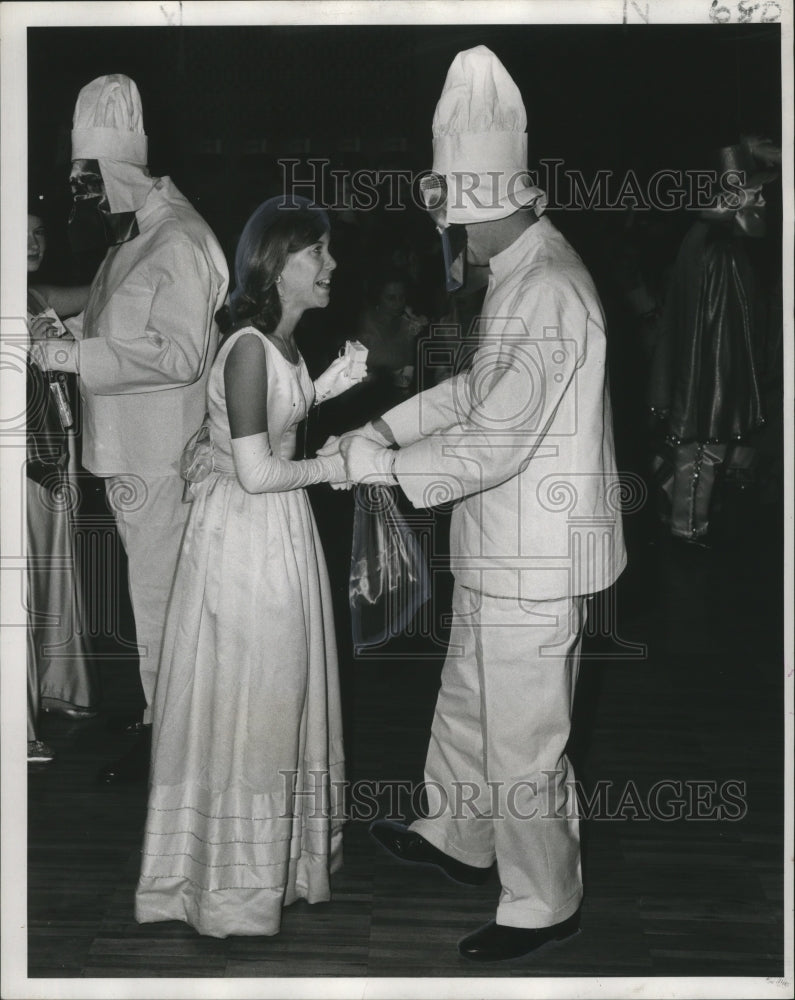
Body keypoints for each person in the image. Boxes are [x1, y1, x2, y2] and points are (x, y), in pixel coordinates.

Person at [321, 46, 626, 962]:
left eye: (456, 227)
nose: (452, 246)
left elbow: (495, 441)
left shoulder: (549, 292)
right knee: (467, 699)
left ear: (487, 209)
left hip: (538, 553)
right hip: (499, 539)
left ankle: (544, 897)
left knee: (526, 733)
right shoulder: (519, 276)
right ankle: (457, 835)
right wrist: (385, 427)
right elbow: (471, 398)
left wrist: (385, 469)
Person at [135, 196, 354, 939]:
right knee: (256, 699)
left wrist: (327, 388)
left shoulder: (282, 347)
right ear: (273, 264)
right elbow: (258, 472)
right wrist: (338, 464)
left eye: (326, 252)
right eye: (313, 253)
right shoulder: (252, 347)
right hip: (246, 537)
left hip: (276, 534)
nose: (329, 265)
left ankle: (274, 867)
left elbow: (263, 424)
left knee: (278, 692)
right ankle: (231, 886)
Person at [35, 75, 229, 782]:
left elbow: (178, 355)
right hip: (129, 451)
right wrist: (57, 332)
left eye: (86, 180)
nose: (81, 196)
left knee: (160, 600)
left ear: (113, 168)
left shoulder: (177, 240)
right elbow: (117, 325)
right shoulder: (138, 237)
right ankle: (160, 711)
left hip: (159, 454)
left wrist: (70, 354)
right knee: (153, 597)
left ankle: (172, 739)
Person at [648, 138, 778, 545]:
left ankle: (669, 488)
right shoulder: (718, 251)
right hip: (710, 379)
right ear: (732, 198)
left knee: (698, 450)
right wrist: (720, 396)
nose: (761, 199)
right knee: (703, 451)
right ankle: (687, 526)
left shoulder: (711, 240)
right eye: (754, 192)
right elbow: (718, 331)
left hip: (706, 375)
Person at [27, 206, 99, 763]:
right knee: (19, 585)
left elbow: (103, 290)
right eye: (21, 233)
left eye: (40, 232)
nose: (34, 242)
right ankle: (16, 722)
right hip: (20, 458)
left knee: (53, 570)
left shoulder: (34, 296)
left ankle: (56, 686)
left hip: (53, 451)